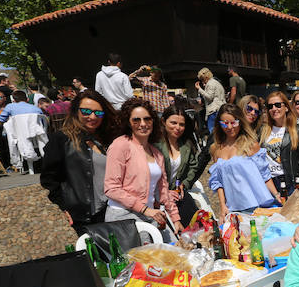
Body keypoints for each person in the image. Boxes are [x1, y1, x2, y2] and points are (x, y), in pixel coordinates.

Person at [40, 90, 119, 232]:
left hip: (113, 210)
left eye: (98, 113)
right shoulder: (62, 138)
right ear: (76, 111)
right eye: (86, 111)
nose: (92, 117)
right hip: (84, 214)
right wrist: (64, 206)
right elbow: (49, 178)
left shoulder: (108, 138)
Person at [104, 98, 181, 239]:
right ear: (128, 122)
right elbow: (111, 188)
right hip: (123, 216)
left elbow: (163, 190)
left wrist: (175, 218)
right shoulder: (120, 145)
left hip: (150, 215)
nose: (143, 124)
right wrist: (144, 209)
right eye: (136, 120)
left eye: (147, 119)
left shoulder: (156, 153)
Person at [208, 103, 280, 221]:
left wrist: (277, 195)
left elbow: (265, 175)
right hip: (233, 209)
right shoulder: (216, 149)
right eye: (225, 123)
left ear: (240, 122)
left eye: (234, 122)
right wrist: (222, 207)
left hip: (257, 206)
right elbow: (218, 183)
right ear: (219, 124)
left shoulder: (251, 145)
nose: (230, 127)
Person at [153, 105, 201, 227]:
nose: (178, 128)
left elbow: (193, 167)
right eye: (173, 123)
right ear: (163, 121)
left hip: (178, 193)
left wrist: (184, 183)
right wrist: (165, 192)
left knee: (196, 223)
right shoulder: (155, 144)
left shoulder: (186, 145)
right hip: (158, 196)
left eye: (181, 124)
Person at [259, 90, 299, 197]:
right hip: (268, 183)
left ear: (286, 107)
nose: (274, 109)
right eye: (270, 106)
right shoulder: (262, 131)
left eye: (278, 105)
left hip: (290, 182)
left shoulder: (297, 130)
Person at [195, 68, 226, 133]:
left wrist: (199, 89)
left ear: (206, 77)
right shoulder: (216, 83)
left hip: (213, 110)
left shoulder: (210, 83)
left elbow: (209, 97)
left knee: (213, 132)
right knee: (221, 131)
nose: (203, 82)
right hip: (220, 108)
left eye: (202, 79)